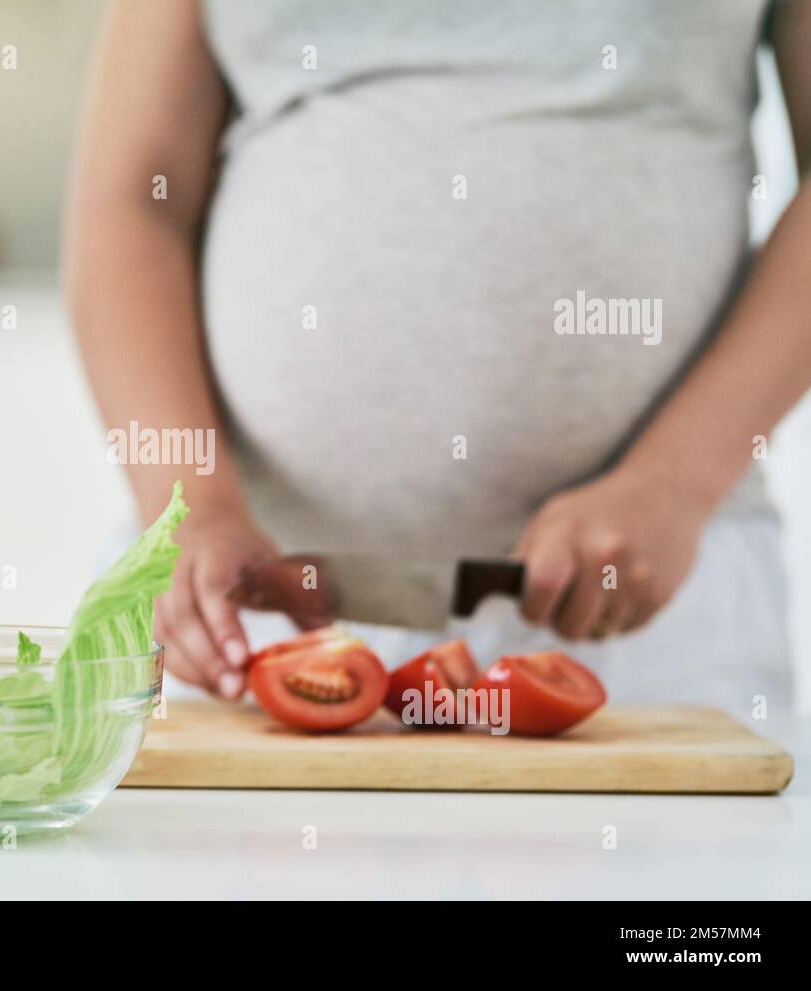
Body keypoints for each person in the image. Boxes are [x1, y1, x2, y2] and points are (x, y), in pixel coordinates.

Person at [63, 0, 811, 707]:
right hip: (243, 613)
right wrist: (183, 503)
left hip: (654, 607)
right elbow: (134, 197)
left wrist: (673, 483)